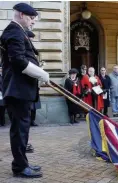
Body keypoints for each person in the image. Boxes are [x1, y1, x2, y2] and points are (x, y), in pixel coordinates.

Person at [0, 3, 49, 178]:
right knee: (19, 130)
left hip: (21, 90)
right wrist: (41, 73)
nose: (32, 22)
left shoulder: (19, 31)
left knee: (23, 129)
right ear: (21, 14)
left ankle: (22, 163)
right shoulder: (14, 31)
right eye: (30, 18)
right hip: (17, 90)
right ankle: (19, 168)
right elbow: (18, 61)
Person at [26, 30, 41, 127]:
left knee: (34, 106)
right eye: (31, 39)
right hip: (27, 84)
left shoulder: (33, 50)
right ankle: (28, 121)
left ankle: (32, 120)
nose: (31, 41)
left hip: (34, 83)